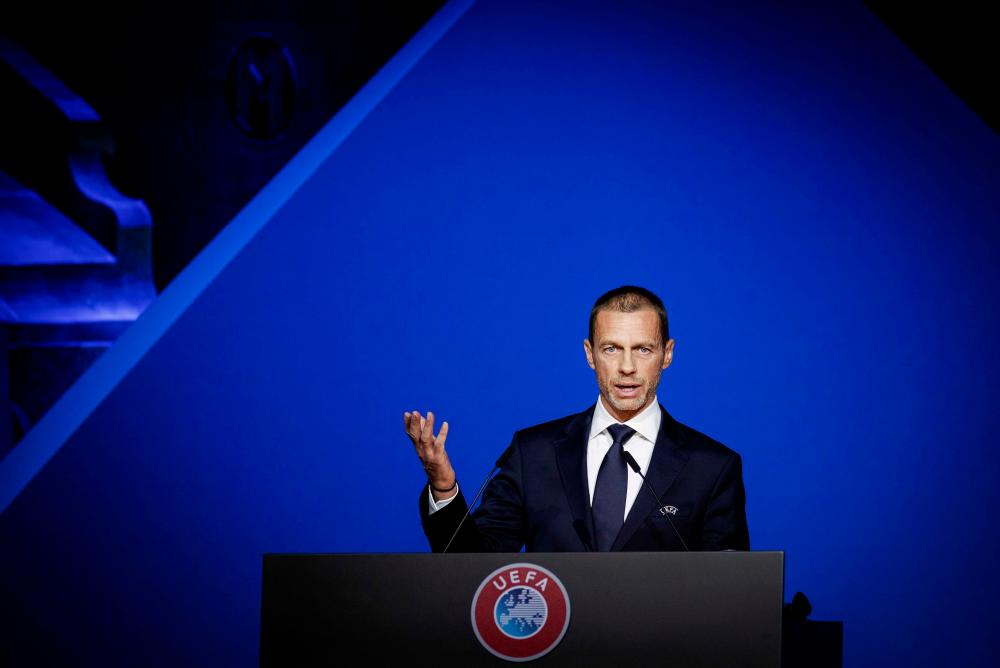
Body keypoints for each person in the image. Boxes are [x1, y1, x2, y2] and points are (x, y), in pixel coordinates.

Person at [403, 286, 749, 552]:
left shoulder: (713, 467)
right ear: (590, 354)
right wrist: (443, 487)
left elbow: (728, 592)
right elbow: (473, 566)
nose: (627, 367)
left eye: (643, 349)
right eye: (611, 349)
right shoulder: (532, 453)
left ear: (667, 354)